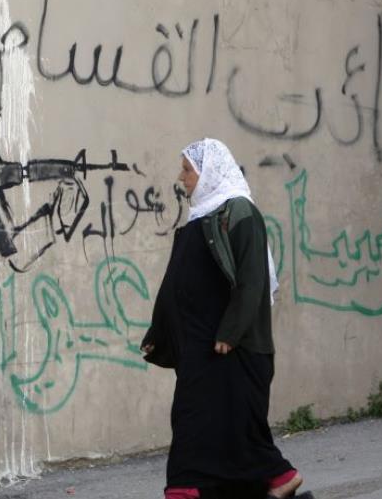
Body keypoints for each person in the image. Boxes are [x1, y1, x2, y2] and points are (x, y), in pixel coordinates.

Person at [141, 138, 311, 499]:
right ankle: (256, 481)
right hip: (201, 348)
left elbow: (253, 279)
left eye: (187, 169)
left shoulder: (239, 213)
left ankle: (269, 477)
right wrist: (160, 332)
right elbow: (176, 284)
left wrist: (231, 331)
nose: (181, 177)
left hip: (231, 348)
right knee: (196, 422)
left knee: (229, 426)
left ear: (209, 172)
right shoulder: (199, 219)